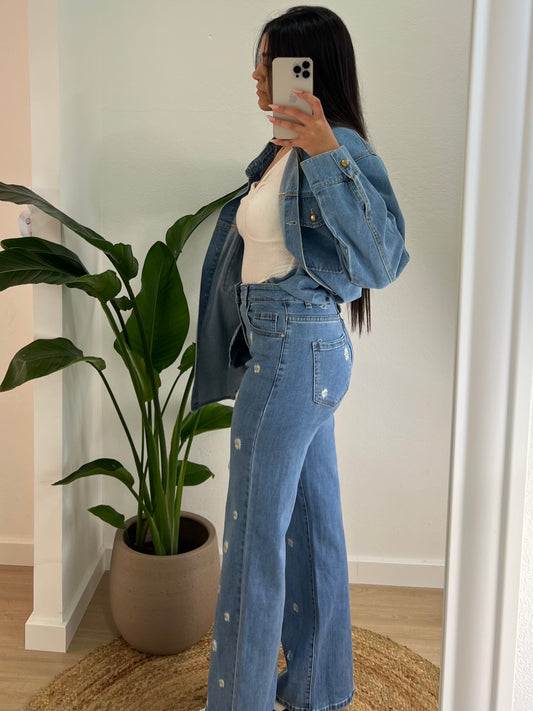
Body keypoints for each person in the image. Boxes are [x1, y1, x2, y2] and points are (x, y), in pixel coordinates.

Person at [192, 6, 409, 711]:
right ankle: (320, 688)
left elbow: (382, 261)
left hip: (294, 354)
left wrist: (325, 151)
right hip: (296, 352)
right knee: (312, 530)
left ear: (310, 69)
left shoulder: (339, 150)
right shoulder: (280, 153)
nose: (257, 77)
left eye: (272, 62)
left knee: (253, 541)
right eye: (260, 63)